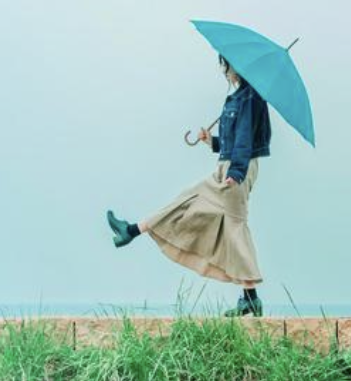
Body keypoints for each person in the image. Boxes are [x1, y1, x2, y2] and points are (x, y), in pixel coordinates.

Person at [106, 53, 272, 317]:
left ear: (235, 66)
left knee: (235, 227)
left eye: (225, 65)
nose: (223, 70)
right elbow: (233, 141)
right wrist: (212, 142)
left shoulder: (250, 98)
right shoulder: (240, 98)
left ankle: (251, 297)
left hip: (236, 169)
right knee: (189, 200)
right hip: (228, 166)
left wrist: (237, 172)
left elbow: (244, 140)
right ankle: (132, 230)